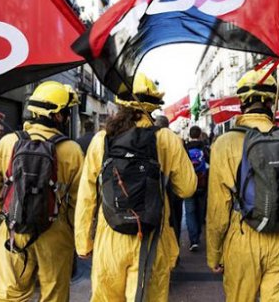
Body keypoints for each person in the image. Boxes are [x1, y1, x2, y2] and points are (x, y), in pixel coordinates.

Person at [74, 73, 197, 301]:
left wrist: (83, 242)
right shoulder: (165, 138)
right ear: (152, 105)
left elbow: (86, 196)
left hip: (110, 235)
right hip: (152, 237)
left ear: (121, 103)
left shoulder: (102, 140)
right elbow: (188, 188)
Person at [206, 69, 279, 302]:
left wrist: (214, 254)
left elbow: (218, 209)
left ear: (242, 102)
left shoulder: (224, 144)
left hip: (243, 237)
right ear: (272, 100)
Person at [0, 81, 83, 302]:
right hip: (56, 235)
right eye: (65, 113)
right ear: (56, 115)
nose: (66, 117)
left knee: (9, 296)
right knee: (54, 295)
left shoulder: (7, 143)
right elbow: (80, 203)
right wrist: (73, 236)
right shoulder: (72, 150)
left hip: (12, 231)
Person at [155, 115, 184, 246]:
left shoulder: (151, 138)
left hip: (154, 190)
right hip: (172, 190)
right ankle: (175, 249)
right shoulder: (176, 140)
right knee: (174, 220)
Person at [185, 125, 210, 252]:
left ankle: (193, 240)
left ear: (190, 135)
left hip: (188, 185)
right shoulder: (205, 148)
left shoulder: (184, 148)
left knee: (189, 213)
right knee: (200, 212)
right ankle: (198, 234)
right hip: (202, 184)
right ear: (200, 134)